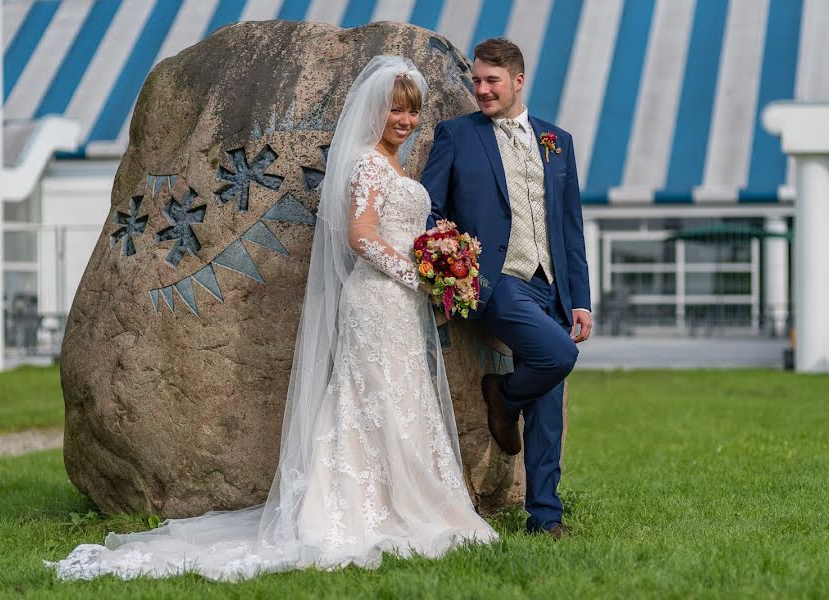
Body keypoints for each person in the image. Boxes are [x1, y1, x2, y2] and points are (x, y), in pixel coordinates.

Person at [47, 56, 496, 582]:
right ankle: (354, 509)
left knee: (401, 399)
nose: (405, 120)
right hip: (377, 299)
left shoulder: (396, 165)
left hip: (401, 302)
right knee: (371, 398)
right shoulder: (369, 164)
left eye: (411, 112)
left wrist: (438, 262)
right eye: (396, 110)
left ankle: (401, 500)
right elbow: (360, 235)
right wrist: (414, 273)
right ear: (376, 111)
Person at [420, 38, 592, 540]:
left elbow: (570, 225)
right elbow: (429, 208)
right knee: (558, 355)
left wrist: (579, 298)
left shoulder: (557, 140)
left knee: (549, 411)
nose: (481, 90)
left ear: (518, 80)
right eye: (476, 80)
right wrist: (449, 262)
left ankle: (545, 516)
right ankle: (502, 396)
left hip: (552, 287)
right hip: (495, 283)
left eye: (491, 81)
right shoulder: (457, 135)